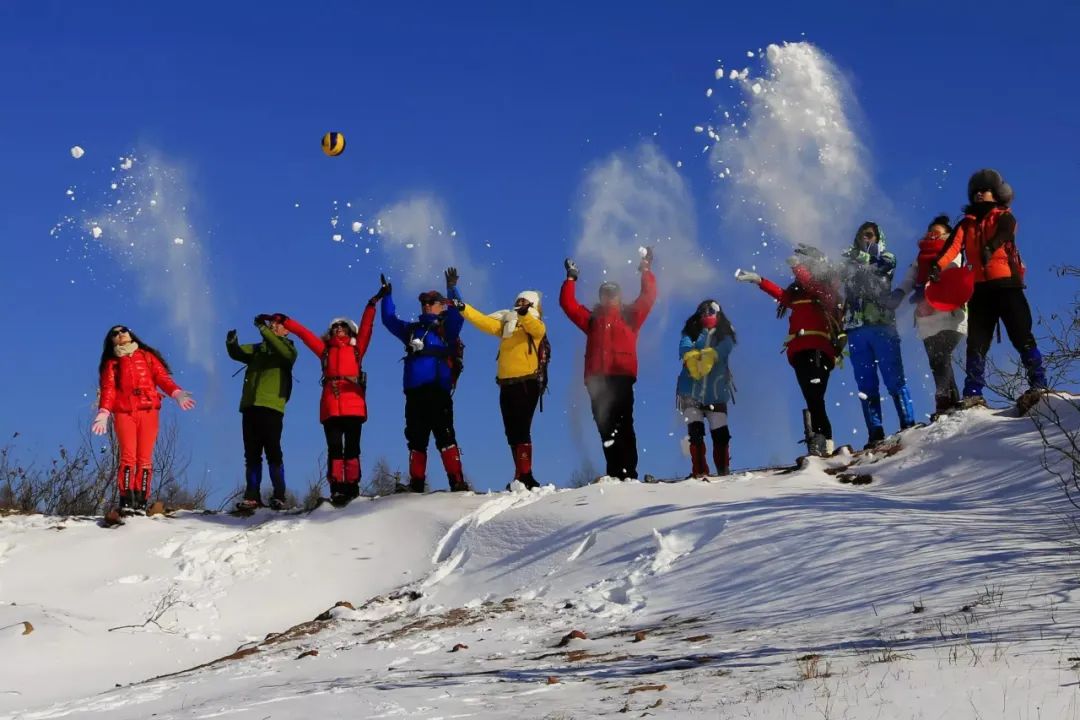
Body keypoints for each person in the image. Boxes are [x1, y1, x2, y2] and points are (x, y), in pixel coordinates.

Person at [929, 168, 1047, 413]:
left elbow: (1005, 233)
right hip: (980, 290)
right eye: (976, 191)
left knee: (1021, 334)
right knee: (976, 343)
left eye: (985, 190)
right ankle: (973, 392)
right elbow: (952, 247)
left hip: (1007, 285)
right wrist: (938, 266)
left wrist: (990, 248)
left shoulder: (1003, 216)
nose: (979, 194)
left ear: (996, 193)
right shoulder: (966, 223)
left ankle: (1039, 384)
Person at [446, 267, 547, 490]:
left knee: (521, 429)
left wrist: (524, 315)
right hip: (506, 384)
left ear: (532, 304)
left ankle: (526, 475)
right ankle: (520, 474)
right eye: (518, 301)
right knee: (511, 431)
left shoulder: (536, 325)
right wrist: (463, 307)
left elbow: (536, 328)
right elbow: (483, 321)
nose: (519, 303)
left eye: (524, 301)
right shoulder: (506, 324)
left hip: (527, 382)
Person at [560, 248, 657, 481]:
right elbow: (568, 305)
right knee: (605, 424)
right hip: (597, 379)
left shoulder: (630, 316)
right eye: (605, 293)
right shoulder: (592, 319)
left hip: (621, 376)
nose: (609, 297)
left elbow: (648, 296)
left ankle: (628, 471)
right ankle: (614, 471)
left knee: (623, 423)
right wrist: (571, 279)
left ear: (619, 296)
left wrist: (645, 269)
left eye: (613, 293)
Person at [736, 244, 842, 457]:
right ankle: (822, 439)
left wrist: (798, 267)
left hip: (818, 349)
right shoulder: (799, 295)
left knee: (815, 396)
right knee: (812, 397)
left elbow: (812, 285)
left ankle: (825, 438)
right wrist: (759, 280)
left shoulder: (825, 292)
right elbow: (780, 294)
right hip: (798, 351)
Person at [282, 292, 379, 506]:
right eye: (335, 327)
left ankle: (352, 487)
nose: (338, 329)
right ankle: (337, 488)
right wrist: (286, 321)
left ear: (349, 330)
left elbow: (367, 328)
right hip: (331, 406)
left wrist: (371, 304)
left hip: (353, 405)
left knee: (352, 448)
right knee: (334, 448)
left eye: (343, 326)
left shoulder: (357, 349)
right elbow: (305, 335)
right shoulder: (325, 351)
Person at [378, 274, 469, 493]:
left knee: (445, 435)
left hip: (438, 389)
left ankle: (457, 482)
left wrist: (452, 289)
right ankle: (416, 483)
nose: (427, 305)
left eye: (432, 302)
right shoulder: (412, 330)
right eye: (424, 302)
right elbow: (389, 320)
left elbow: (459, 315)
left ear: (441, 305)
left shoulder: (447, 329)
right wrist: (387, 297)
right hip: (414, 392)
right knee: (416, 438)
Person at [92, 325, 196, 513]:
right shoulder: (112, 363)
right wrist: (104, 411)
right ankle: (126, 500)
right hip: (124, 413)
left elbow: (162, 378)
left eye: (123, 330)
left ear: (130, 334)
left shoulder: (147, 356)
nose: (120, 334)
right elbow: (109, 389)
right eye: (115, 333)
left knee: (145, 458)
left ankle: (141, 500)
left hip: (148, 411)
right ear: (111, 341)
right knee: (128, 457)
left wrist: (176, 392)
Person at [842, 222, 916, 447]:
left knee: (894, 377)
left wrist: (861, 256)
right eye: (861, 235)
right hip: (856, 328)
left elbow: (883, 266)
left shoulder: (886, 256)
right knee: (865, 384)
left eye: (869, 235)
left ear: (877, 237)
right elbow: (831, 274)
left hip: (881, 325)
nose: (865, 238)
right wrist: (817, 260)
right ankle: (875, 432)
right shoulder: (849, 262)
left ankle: (908, 424)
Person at [887, 215, 968, 418]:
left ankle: (943, 399)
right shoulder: (920, 257)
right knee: (937, 359)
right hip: (925, 314)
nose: (932, 235)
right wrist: (899, 293)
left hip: (948, 309)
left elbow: (954, 268)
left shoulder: (951, 250)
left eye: (937, 232)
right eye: (930, 231)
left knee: (941, 356)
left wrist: (934, 279)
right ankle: (951, 401)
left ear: (947, 235)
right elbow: (910, 277)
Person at [226, 314, 298, 510]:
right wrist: (232, 342)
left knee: (273, 451)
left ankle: (279, 495)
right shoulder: (259, 349)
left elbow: (283, 351)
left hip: (272, 406)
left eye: (278, 324)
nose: (273, 325)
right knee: (251, 454)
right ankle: (252, 496)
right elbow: (238, 353)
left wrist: (263, 329)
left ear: (287, 330)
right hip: (250, 406)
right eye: (272, 322)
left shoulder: (289, 349)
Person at [676, 300, 736, 477]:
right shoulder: (691, 333)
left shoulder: (724, 334)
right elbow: (684, 346)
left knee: (720, 434)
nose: (707, 314)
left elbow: (725, 348)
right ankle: (699, 471)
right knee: (695, 434)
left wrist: (712, 354)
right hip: (690, 392)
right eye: (703, 311)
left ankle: (723, 470)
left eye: (711, 310)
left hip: (716, 392)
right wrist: (690, 356)